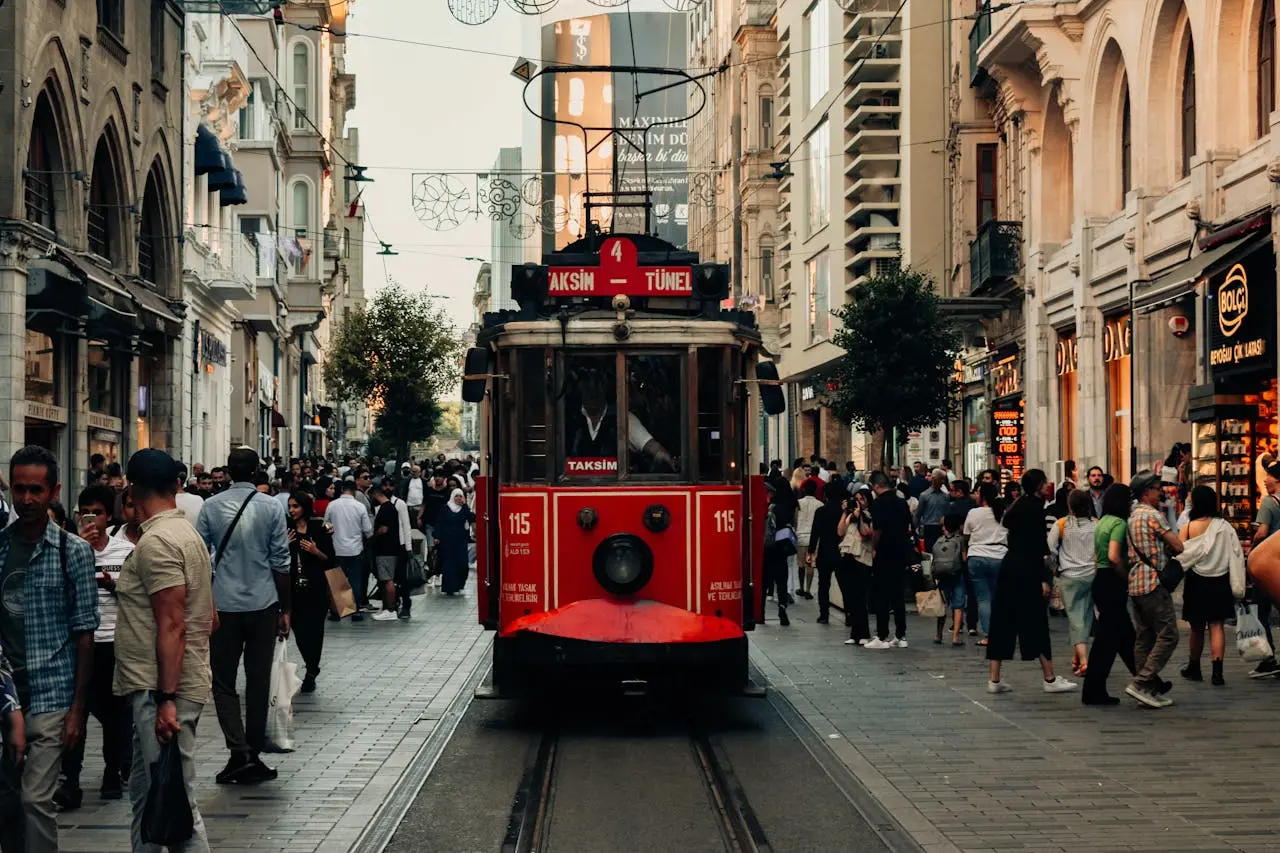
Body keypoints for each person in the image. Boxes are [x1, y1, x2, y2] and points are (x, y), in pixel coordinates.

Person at [113, 449, 213, 852]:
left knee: (176, 802)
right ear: (176, 485)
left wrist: (167, 699)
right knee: (147, 795)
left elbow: (173, 624)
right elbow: (210, 617)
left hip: (163, 689)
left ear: (132, 490)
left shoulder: (157, 542)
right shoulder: (187, 534)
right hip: (164, 685)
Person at [0, 446, 98, 852]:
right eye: (19, 489)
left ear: (54, 491)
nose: (26, 499)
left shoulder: (72, 551)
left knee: (35, 799)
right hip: (6, 696)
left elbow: (85, 632)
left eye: (36, 490)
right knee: (7, 804)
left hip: (51, 694)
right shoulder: (1, 546)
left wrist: (78, 710)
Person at [196, 448, 291, 784]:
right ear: (255, 473)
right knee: (258, 679)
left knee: (223, 680)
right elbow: (281, 560)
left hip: (223, 604)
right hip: (263, 602)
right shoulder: (272, 507)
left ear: (227, 472)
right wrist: (285, 607)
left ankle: (238, 750)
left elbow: (201, 557)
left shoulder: (211, 506)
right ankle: (253, 750)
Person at [54, 485, 136, 810]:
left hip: (112, 641)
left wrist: (114, 586)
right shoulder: (67, 550)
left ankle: (112, 773)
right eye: (85, 513)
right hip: (77, 642)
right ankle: (70, 780)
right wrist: (81, 554)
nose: (91, 520)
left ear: (108, 516)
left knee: (115, 715)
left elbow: (137, 596)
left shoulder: (124, 551)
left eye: (97, 513)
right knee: (76, 711)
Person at [985, 470, 1077, 695]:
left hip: (1009, 567)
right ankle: (1050, 678)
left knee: (1002, 621)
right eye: (1044, 483)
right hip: (1027, 570)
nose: (1048, 486)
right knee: (1036, 623)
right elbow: (1037, 546)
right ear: (1038, 486)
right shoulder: (1035, 509)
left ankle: (994, 679)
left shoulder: (1018, 506)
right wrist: (1043, 579)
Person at [1124, 470, 1185, 709]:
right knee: (1169, 634)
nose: (1160, 492)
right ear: (1146, 491)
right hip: (1153, 583)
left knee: (1144, 637)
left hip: (1136, 583)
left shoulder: (1132, 517)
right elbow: (1178, 545)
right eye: (1157, 489)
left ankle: (1147, 690)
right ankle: (1141, 682)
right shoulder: (1153, 516)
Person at [1177, 485, 1246, 687]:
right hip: (1220, 581)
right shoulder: (1225, 527)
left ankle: (1194, 667)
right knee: (1217, 626)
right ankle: (1217, 672)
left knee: (1196, 627)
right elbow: (1236, 553)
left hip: (1195, 582)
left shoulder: (1187, 527)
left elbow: (1180, 554)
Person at [567, 369, 674, 471]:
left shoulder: (624, 419)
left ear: (604, 388)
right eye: (587, 387)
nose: (592, 393)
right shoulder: (570, 421)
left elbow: (651, 446)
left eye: (596, 386)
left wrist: (666, 459)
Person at [286, 491, 335, 693]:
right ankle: (310, 663)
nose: (292, 510)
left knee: (315, 632)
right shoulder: (286, 529)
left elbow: (331, 559)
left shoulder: (318, 528)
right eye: (290, 506)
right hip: (294, 589)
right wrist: (284, 545)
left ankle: (312, 670)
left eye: (295, 506)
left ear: (304, 507)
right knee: (299, 632)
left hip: (316, 589)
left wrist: (316, 551)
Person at [1048, 490, 1097, 678]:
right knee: (1085, 615)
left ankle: (1084, 661)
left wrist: (1055, 568)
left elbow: (1050, 549)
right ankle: (1077, 658)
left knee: (1075, 618)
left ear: (1070, 506)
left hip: (1069, 575)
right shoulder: (1096, 524)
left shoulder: (1061, 524)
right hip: (1092, 574)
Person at [867, 471, 912, 649]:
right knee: (898, 594)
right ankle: (900, 635)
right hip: (900, 551)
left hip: (884, 551)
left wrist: (874, 548)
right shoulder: (902, 502)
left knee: (882, 594)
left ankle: (881, 635)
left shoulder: (878, 503)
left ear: (876, 486)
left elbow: (877, 530)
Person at [1247, 460, 1280, 677]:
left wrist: (1252, 550)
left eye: (1268, 476)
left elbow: (1262, 532)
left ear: (1277, 479)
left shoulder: (1269, 502)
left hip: (1268, 564)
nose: (1265, 480)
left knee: (1261, 612)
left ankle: (1268, 658)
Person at [963, 482, 1007, 644]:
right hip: (999, 555)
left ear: (982, 496)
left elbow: (966, 534)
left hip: (977, 555)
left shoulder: (973, 513)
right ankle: (1001, 631)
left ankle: (989, 634)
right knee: (998, 597)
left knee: (983, 598)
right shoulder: (1003, 512)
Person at [837, 487, 874, 645]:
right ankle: (854, 633)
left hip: (862, 558)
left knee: (860, 597)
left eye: (861, 499)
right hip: (847, 555)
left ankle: (864, 633)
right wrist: (846, 513)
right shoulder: (850, 516)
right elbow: (840, 532)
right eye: (856, 499)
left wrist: (859, 517)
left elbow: (867, 533)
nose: (858, 502)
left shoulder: (869, 515)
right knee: (850, 597)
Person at [807, 486, 846, 625]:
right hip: (840, 550)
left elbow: (815, 533)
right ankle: (849, 613)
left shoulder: (820, 511)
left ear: (826, 495)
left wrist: (811, 551)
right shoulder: (843, 511)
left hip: (824, 551)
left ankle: (824, 614)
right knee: (844, 583)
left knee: (823, 584)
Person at [931, 513, 967, 646]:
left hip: (942, 576)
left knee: (942, 606)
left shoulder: (939, 540)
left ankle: (938, 634)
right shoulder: (960, 539)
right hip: (956, 575)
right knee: (958, 606)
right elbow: (964, 558)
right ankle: (955, 637)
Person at [369, 485, 404, 622]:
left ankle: (390, 610)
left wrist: (373, 538)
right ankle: (387, 608)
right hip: (389, 549)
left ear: (375, 495)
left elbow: (383, 529)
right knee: (385, 579)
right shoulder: (390, 508)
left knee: (387, 579)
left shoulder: (386, 509)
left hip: (385, 550)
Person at [433, 489, 475, 595]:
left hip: (461, 541)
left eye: (460, 496)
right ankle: (449, 588)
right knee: (449, 565)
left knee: (462, 564)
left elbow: (472, 518)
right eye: (456, 496)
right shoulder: (445, 508)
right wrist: (437, 536)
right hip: (447, 541)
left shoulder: (464, 509)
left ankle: (459, 585)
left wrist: (465, 506)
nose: (458, 498)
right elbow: (439, 523)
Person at [794, 480, 823, 600]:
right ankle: (808, 589)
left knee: (801, 565)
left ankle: (801, 587)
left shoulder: (798, 503)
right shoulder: (820, 504)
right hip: (813, 539)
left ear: (804, 490)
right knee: (810, 564)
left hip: (800, 536)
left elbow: (795, 520)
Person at [916, 472, 950, 551]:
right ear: (934, 479)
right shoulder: (924, 495)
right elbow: (919, 513)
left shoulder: (945, 496)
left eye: (943, 479)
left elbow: (947, 513)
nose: (942, 482)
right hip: (929, 527)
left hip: (941, 528)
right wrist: (917, 528)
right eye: (940, 479)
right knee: (930, 550)